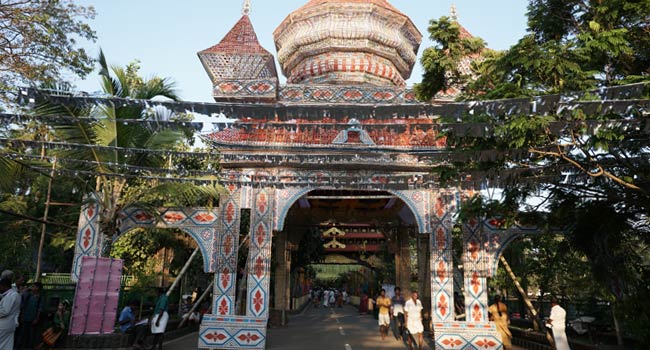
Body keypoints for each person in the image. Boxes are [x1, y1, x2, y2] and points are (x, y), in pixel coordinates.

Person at [19, 282, 43, 349]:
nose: (32, 287)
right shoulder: (27, 295)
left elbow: (39, 309)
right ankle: (20, 347)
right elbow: (22, 305)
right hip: (24, 317)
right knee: (22, 334)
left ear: (37, 288)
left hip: (32, 319)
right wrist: (22, 315)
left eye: (33, 286)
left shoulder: (40, 297)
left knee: (31, 335)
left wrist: (36, 318)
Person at [0, 278, 21, 350]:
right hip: (9, 324)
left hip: (3, 326)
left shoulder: (11, 295)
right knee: (6, 346)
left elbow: (4, 311)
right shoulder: (14, 294)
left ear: (3, 286)